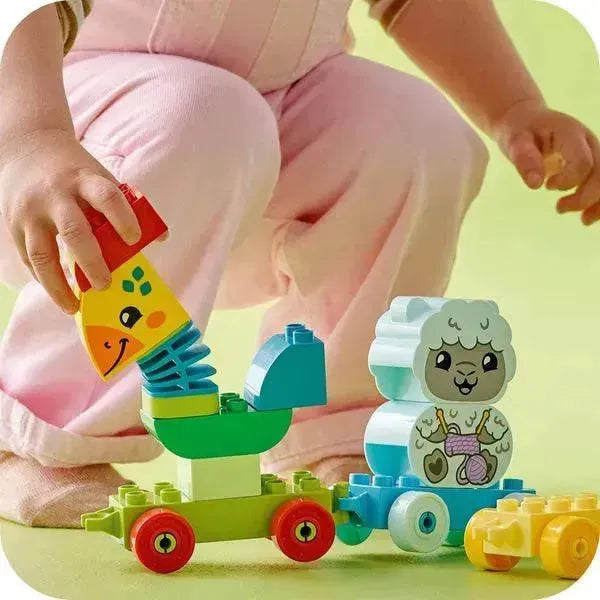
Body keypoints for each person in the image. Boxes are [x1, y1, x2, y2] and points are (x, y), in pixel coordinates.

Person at [0, 0, 598, 528]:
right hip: (61, 150)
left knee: (421, 137)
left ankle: (339, 430)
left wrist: (515, 108)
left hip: (257, 129)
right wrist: (30, 138)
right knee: (209, 112)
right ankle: (37, 435)